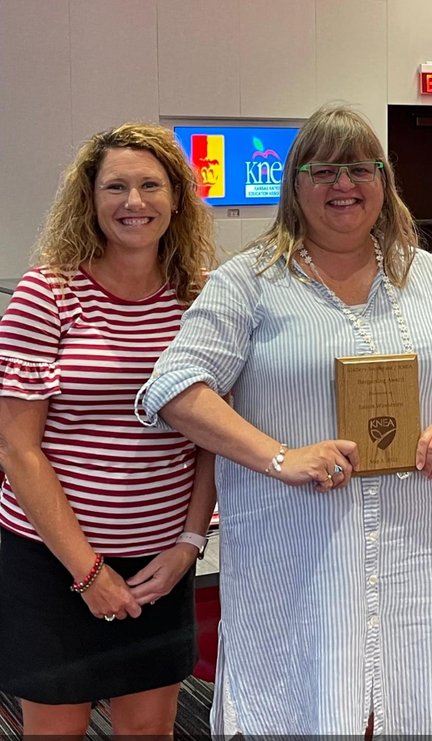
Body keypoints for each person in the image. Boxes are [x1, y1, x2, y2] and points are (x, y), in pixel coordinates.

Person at [136, 104, 432, 736]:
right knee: (297, 706)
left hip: (411, 548)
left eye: (360, 168)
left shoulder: (427, 276)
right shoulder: (250, 281)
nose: (343, 185)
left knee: (407, 708)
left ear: (384, 181)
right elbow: (176, 387)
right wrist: (280, 456)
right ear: (295, 184)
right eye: (323, 170)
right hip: (293, 549)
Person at [0, 123, 218, 736]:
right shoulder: (48, 294)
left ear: (177, 198)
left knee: (149, 729)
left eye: (151, 185)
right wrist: (88, 572)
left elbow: (211, 437)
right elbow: (18, 450)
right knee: (57, 732)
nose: (134, 202)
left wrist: (189, 544)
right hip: (52, 561)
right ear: (89, 199)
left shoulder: (197, 297)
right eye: (115, 186)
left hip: (161, 563)